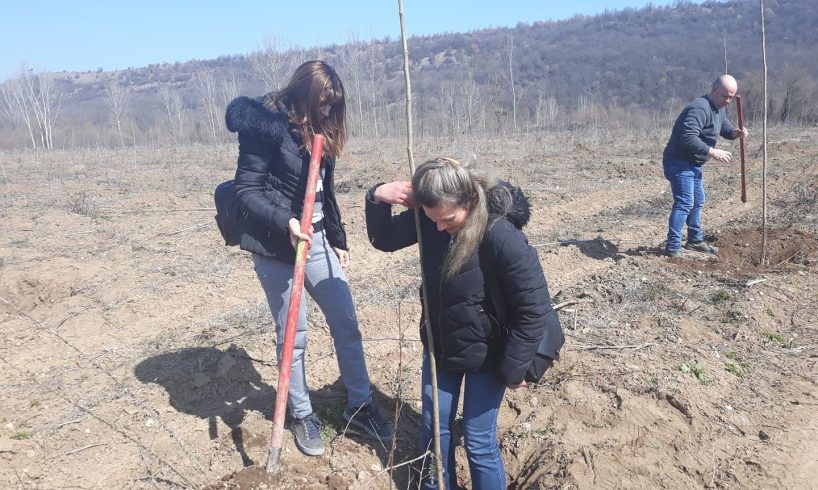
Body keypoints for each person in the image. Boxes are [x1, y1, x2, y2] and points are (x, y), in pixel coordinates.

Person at [224, 60, 393, 457]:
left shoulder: (322, 126)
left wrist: (336, 237)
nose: (329, 112)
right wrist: (286, 222)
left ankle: (360, 406)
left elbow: (324, 190)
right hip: (276, 245)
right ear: (302, 94)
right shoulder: (264, 126)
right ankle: (302, 414)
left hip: (315, 240)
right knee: (293, 337)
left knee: (346, 322)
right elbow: (245, 190)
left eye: (333, 106)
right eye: (323, 104)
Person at [365, 158, 563, 489]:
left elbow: (533, 307)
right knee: (433, 429)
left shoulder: (501, 235)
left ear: (470, 202)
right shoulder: (432, 220)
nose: (440, 227)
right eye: (432, 219)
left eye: (447, 219)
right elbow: (384, 239)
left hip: (490, 355)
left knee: (477, 438)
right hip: (442, 346)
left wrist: (515, 369)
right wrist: (377, 195)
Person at [663, 74, 749, 257]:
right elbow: (687, 137)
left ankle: (694, 240)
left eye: (731, 97)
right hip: (679, 162)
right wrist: (712, 152)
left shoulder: (719, 108)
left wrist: (736, 133)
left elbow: (724, 129)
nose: (727, 100)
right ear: (714, 89)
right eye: (724, 95)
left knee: (697, 201)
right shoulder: (699, 108)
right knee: (685, 202)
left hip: (693, 163)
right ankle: (673, 247)